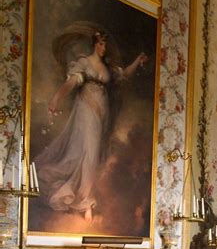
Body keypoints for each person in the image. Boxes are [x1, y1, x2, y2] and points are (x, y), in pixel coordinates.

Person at [36, 31, 148, 222]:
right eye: (101, 44)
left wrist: (137, 61)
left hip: (102, 115)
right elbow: (72, 82)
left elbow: (124, 74)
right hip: (86, 109)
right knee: (87, 152)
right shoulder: (85, 62)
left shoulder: (107, 68)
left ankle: (83, 198)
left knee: (94, 156)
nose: (104, 48)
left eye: (105, 45)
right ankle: (85, 202)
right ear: (95, 44)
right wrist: (56, 97)